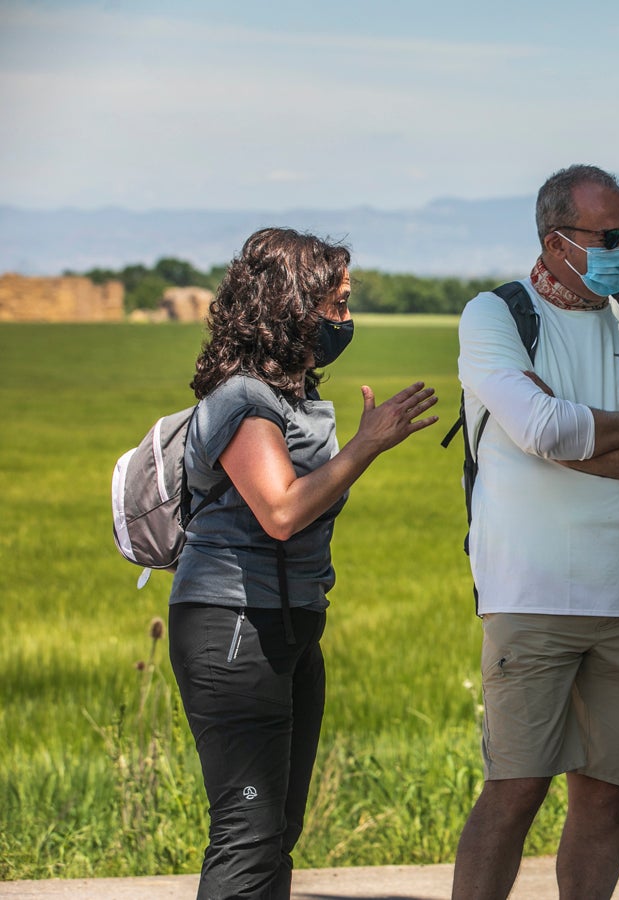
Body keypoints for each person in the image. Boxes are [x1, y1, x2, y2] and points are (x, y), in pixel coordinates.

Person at [450, 164, 619, 900]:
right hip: (528, 596)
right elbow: (539, 427)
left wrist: (576, 440)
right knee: (516, 789)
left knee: (606, 794)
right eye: (608, 235)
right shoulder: (496, 316)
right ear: (556, 240)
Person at [168, 227, 439, 899]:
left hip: (286, 625)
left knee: (276, 830)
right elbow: (281, 512)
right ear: (287, 303)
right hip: (234, 628)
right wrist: (366, 446)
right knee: (247, 830)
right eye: (335, 304)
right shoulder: (243, 399)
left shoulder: (290, 399)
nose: (346, 321)